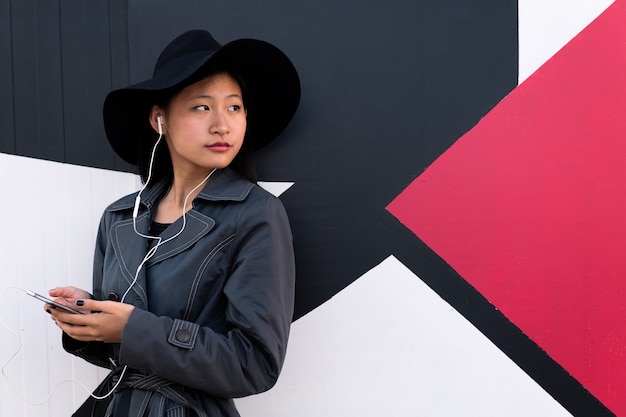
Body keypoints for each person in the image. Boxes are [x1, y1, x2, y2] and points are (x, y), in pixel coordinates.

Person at [46, 29, 300, 417]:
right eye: (201, 107)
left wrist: (132, 330)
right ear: (159, 118)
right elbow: (123, 354)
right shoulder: (120, 217)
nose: (222, 125)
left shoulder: (255, 213)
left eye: (234, 107)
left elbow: (256, 364)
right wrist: (91, 321)